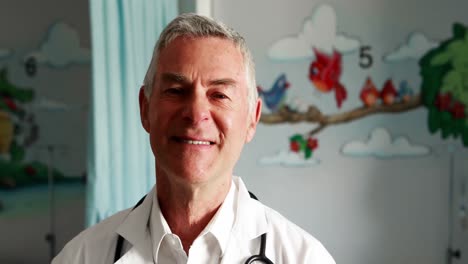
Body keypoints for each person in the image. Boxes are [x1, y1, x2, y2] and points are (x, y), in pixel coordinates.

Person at [52, 13, 335, 264]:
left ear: (252, 118)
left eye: (220, 95)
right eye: (176, 90)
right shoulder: (80, 257)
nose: (196, 112)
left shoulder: (304, 257)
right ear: (145, 108)